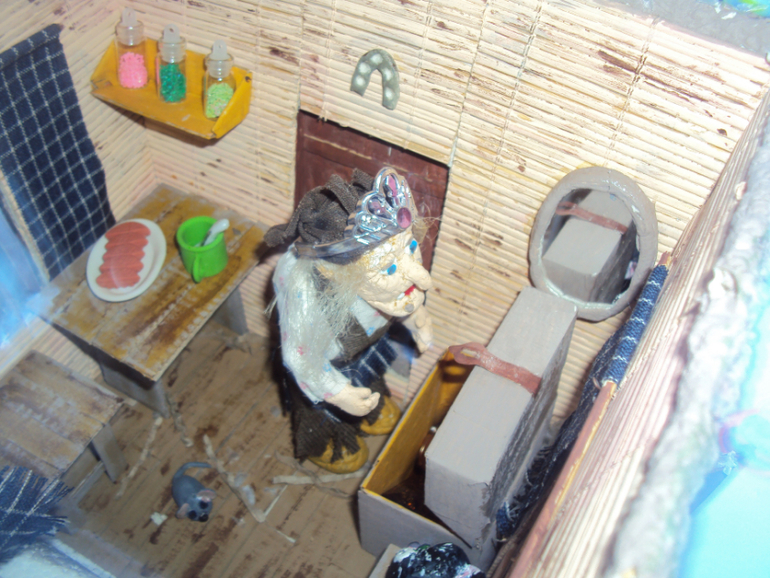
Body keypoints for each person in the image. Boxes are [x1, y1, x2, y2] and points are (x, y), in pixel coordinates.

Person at [265, 167, 433, 473]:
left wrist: (418, 317)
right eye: (389, 268)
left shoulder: (386, 276)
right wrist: (338, 393)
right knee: (319, 408)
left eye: (411, 248)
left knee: (368, 377)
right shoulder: (304, 288)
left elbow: (405, 295)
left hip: (365, 343)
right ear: (333, 271)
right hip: (321, 361)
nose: (419, 274)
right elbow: (300, 357)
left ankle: (368, 398)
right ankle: (324, 439)